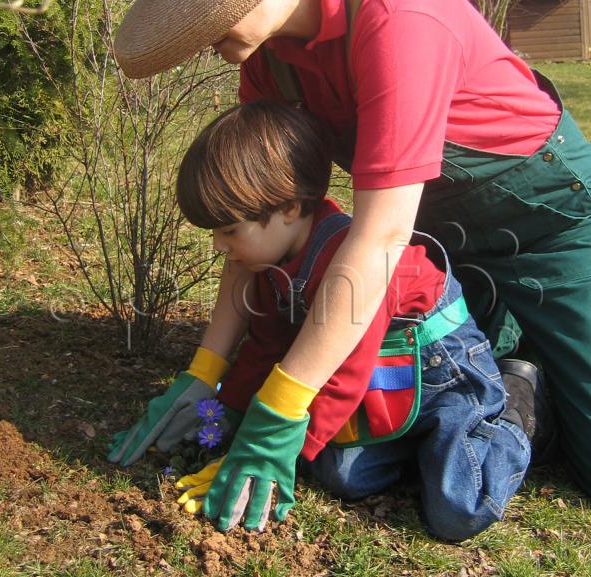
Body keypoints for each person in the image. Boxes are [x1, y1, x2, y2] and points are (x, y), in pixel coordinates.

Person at [112, 0, 591, 499]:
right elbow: (253, 235)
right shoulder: (268, 58)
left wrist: (279, 410)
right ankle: (508, 343)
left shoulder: (400, 20)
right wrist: (205, 371)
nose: (202, 41)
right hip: (429, 239)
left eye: (207, 21)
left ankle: (522, 375)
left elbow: (379, 237)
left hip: (543, 218)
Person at [175, 100, 530, 541]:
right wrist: (230, 420)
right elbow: (265, 347)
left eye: (229, 231)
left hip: (441, 370)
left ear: (288, 208)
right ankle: (422, 446)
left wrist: (278, 447)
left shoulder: (353, 265)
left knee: (460, 507)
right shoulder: (271, 266)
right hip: (381, 385)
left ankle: (517, 405)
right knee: (341, 476)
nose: (218, 247)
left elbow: (346, 370)